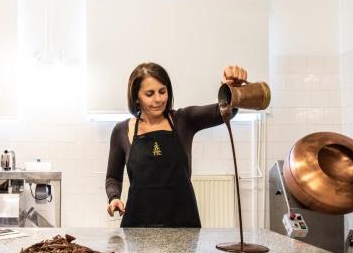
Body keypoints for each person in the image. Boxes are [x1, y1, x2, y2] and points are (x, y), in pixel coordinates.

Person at [105, 63, 247, 228]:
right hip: (137, 227)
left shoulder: (184, 119)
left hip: (183, 225)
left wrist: (232, 89)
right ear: (136, 97)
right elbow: (113, 178)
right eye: (149, 94)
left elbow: (226, 111)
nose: (158, 99)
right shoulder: (121, 131)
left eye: (162, 91)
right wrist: (114, 197)